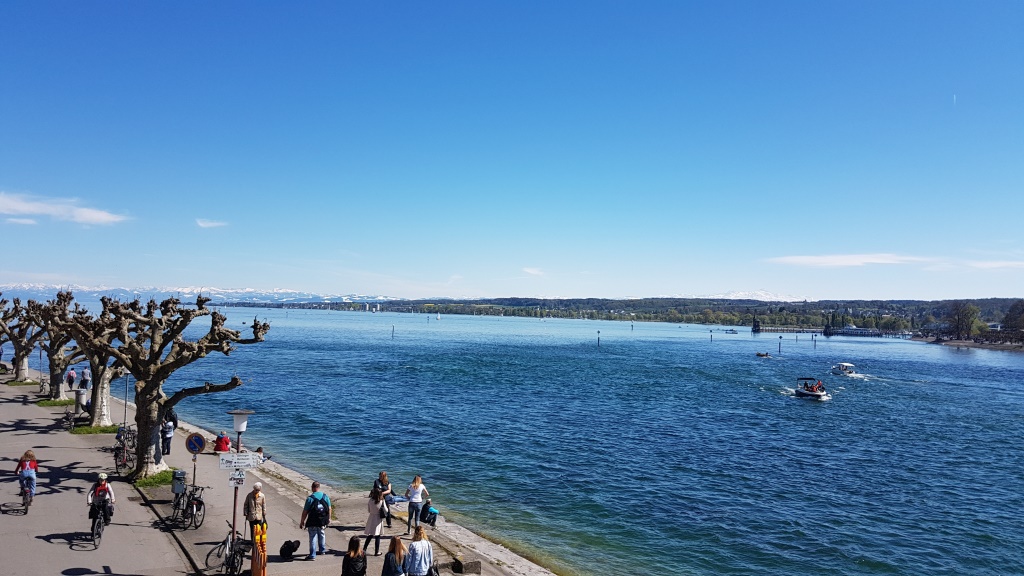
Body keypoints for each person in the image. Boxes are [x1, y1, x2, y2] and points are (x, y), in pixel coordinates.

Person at [298, 481, 331, 560]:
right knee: (322, 534)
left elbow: (305, 512)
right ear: (319, 487)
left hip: (312, 520)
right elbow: (329, 508)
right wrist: (329, 518)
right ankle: (322, 550)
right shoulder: (325, 496)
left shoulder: (310, 498)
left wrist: (302, 521)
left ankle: (312, 555)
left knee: (313, 536)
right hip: (322, 520)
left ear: (312, 488)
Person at [364, 487, 385, 555]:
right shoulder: (381, 501)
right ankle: (376, 551)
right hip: (378, 518)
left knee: (370, 534)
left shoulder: (370, 500)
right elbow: (386, 510)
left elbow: (369, 510)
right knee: (377, 535)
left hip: (371, 517)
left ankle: (364, 549)